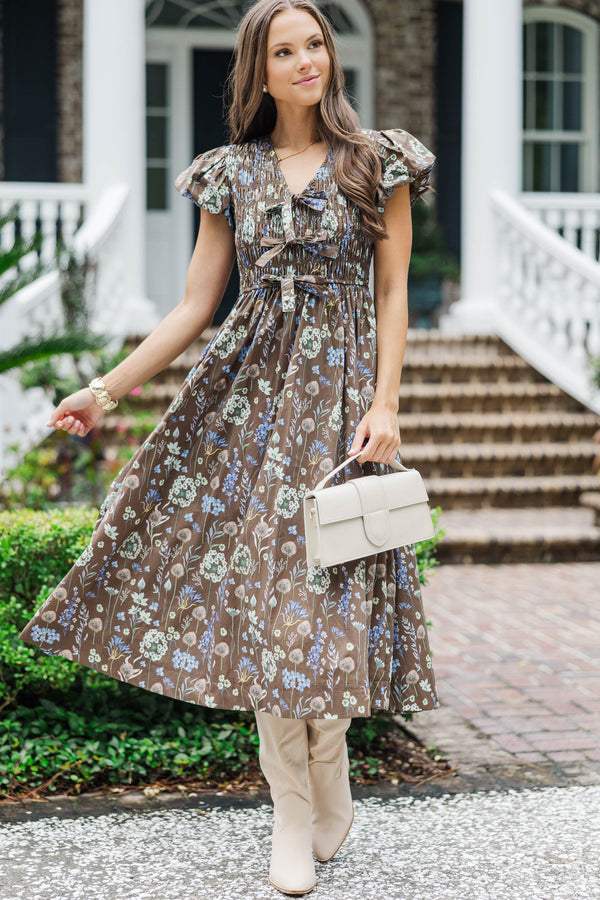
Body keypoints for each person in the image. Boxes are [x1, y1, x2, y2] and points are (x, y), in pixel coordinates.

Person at [19, 0, 440, 893]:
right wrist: (104, 390)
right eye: (284, 50)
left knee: (322, 603)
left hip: (338, 409)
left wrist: (388, 402)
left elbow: (394, 294)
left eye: (315, 43)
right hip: (245, 408)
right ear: (258, 69)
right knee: (268, 603)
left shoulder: (378, 163)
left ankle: (330, 764)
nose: (305, 61)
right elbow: (193, 307)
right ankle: (292, 805)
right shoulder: (231, 174)